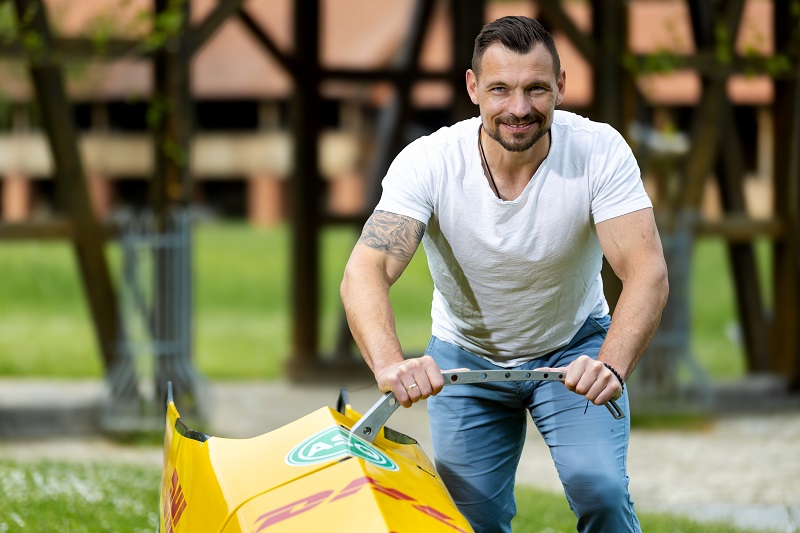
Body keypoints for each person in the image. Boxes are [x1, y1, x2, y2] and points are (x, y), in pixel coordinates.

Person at [340, 15, 668, 533]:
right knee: (470, 521)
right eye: (500, 89)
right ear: (473, 88)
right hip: (463, 357)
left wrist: (612, 364)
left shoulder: (599, 151)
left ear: (561, 85)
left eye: (536, 88)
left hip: (574, 350)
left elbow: (647, 272)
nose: (519, 108)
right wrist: (388, 364)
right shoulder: (428, 161)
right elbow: (367, 268)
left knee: (599, 489)